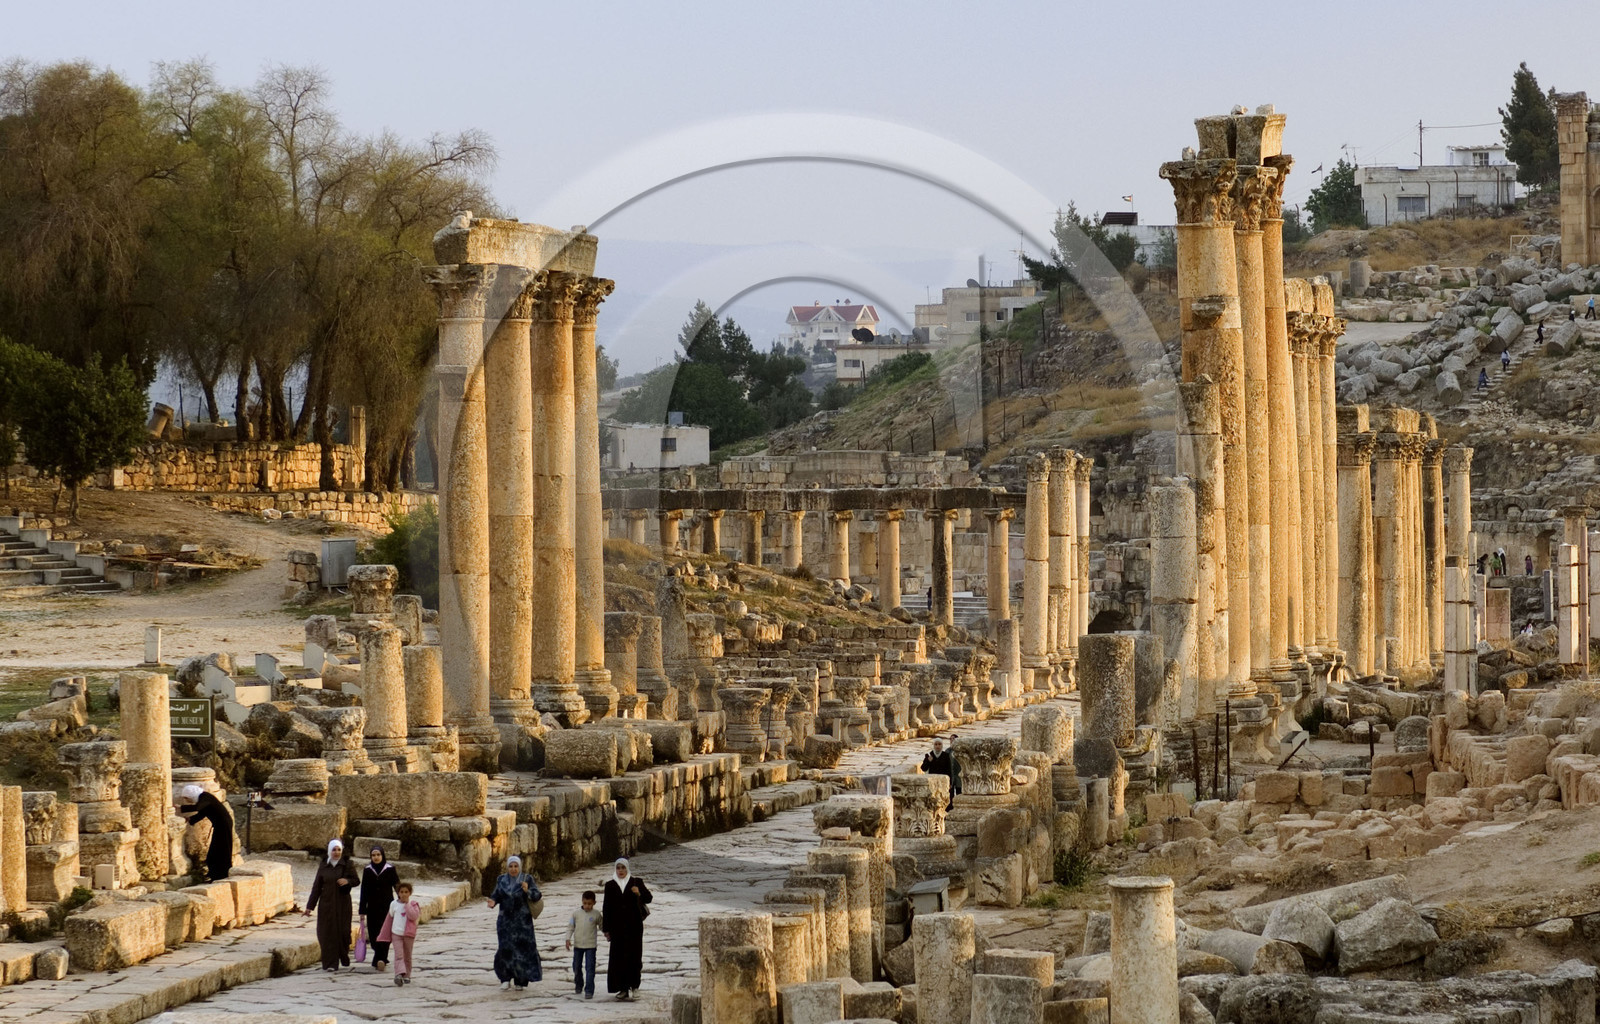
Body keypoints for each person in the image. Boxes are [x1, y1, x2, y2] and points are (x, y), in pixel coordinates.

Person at [487, 855, 542, 990]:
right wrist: (493, 901)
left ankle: (520, 980)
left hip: (523, 923)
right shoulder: (501, 880)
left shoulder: (527, 879)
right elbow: (496, 895)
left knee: (522, 951)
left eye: (516, 866)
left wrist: (527, 890)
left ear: (520, 867)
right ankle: (505, 979)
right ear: (507, 867)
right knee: (505, 950)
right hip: (505, 922)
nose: (513, 869)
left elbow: (537, 895)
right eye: (511, 866)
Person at [305, 839, 359, 971]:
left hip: (343, 904)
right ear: (330, 851)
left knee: (343, 932)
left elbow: (356, 880)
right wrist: (310, 906)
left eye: (339, 850)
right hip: (327, 905)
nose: (336, 852)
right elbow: (317, 887)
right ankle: (330, 963)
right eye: (334, 850)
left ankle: (343, 955)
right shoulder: (324, 865)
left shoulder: (347, 864)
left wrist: (347, 881)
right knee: (327, 933)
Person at [602, 858, 652, 1001]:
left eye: (623, 868)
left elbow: (649, 898)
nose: (621, 871)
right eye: (618, 868)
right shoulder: (610, 885)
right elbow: (606, 907)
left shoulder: (636, 882)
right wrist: (606, 929)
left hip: (634, 926)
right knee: (619, 958)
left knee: (634, 956)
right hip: (617, 927)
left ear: (627, 868)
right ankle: (623, 988)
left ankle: (635, 986)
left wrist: (639, 893)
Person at [178, 784, 234, 882]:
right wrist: (190, 819)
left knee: (220, 851)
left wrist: (181, 808)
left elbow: (198, 808)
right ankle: (216, 875)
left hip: (223, 826)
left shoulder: (205, 797)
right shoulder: (204, 798)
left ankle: (222, 875)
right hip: (221, 826)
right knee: (216, 852)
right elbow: (203, 813)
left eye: (187, 798)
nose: (187, 801)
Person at [359, 846, 400, 972]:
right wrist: (362, 910)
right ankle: (380, 957)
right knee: (373, 935)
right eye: (373, 855)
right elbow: (364, 890)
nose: (376, 857)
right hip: (372, 907)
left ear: (382, 855)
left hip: (387, 907)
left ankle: (380, 959)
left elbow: (397, 886)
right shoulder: (368, 870)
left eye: (378, 855)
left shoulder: (390, 869)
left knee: (385, 933)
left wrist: (402, 903)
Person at [378, 881, 421, 986]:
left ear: (410, 893)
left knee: (407, 956)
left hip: (408, 934)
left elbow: (413, 916)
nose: (404, 894)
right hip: (396, 933)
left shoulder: (413, 905)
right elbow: (390, 917)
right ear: (398, 893)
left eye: (406, 892)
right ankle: (399, 974)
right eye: (402, 892)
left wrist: (407, 905)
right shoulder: (393, 904)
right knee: (399, 955)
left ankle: (407, 975)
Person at [565, 890, 603, 1000]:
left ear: (594, 903)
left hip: (591, 946)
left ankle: (589, 990)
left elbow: (602, 926)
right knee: (576, 967)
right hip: (578, 946)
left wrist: (608, 934)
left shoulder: (596, 914)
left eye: (589, 904)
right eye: (585, 903)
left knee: (590, 968)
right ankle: (578, 984)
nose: (587, 906)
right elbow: (570, 927)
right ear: (582, 901)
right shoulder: (576, 914)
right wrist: (568, 938)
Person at [921, 738, 955, 809]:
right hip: (932, 782)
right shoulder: (929, 755)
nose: (937, 746)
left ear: (942, 745)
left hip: (942, 782)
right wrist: (928, 761)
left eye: (939, 744)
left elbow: (949, 770)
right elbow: (923, 768)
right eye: (936, 744)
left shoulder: (945, 755)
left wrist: (950, 782)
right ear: (933, 745)